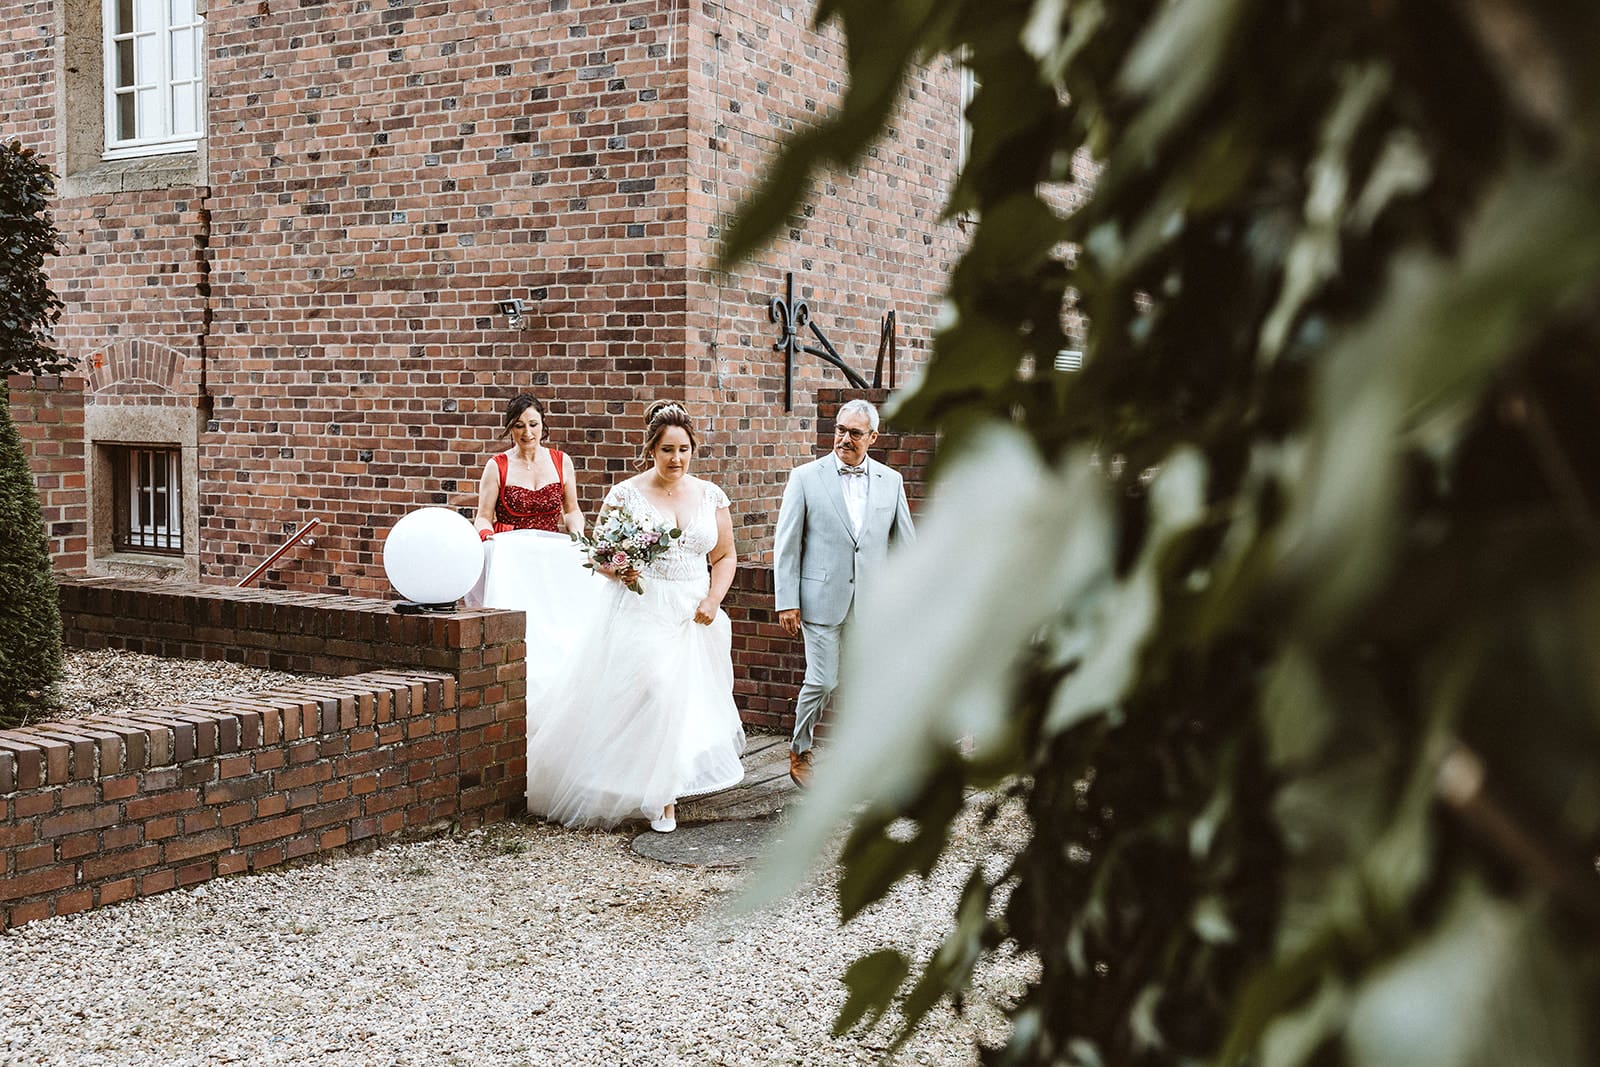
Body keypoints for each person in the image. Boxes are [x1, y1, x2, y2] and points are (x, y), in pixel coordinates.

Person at [525, 400, 746, 832]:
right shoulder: (626, 494)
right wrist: (620, 570)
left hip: (694, 610)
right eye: (667, 450)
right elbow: (600, 555)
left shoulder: (710, 495)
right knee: (657, 690)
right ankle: (660, 798)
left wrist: (714, 599)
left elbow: (725, 555)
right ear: (651, 450)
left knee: (687, 702)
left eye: (684, 450)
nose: (676, 459)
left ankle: (671, 779)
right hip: (644, 606)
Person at [774, 398, 916, 787]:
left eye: (855, 433)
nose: (844, 439)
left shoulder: (892, 481)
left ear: (873, 436)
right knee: (822, 680)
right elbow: (787, 544)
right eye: (840, 429)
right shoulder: (805, 477)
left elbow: (905, 547)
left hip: (871, 605)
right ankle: (800, 750)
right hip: (819, 601)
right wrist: (786, 601)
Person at [465, 393, 602, 708]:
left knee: (559, 623)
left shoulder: (560, 460)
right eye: (519, 426)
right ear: (509, 429)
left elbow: (572, 510)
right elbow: (483, 515)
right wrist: (487, 538)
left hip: (550, 554)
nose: (527, 433)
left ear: (543, 425)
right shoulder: (496, 466)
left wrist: (578, 535)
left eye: (533, 424)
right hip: (513, 553)